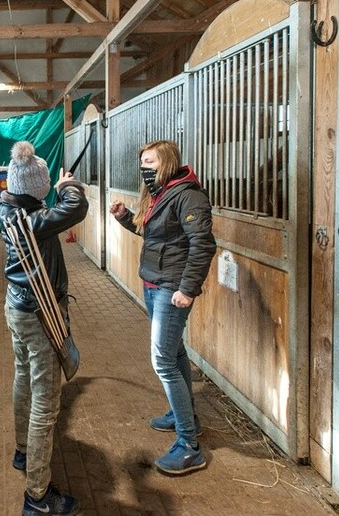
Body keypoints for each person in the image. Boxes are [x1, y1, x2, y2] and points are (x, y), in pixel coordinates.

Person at [109, 139, 216, 475]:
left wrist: (188, 288)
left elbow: (203, 244)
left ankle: (189, 445)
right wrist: (125, 217)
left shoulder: (188, 195)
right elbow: (155, 235)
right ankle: (184, 415)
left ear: (167, 162)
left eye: (150, 162)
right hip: (155, 283)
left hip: (172, 287)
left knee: (163, 360)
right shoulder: (159, 193)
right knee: (175, 352)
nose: (145, 167)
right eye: (142, 162)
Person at [0, 141, 88, 516]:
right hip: (39, 315)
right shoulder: (31, 222)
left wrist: (53, 191)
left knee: (23, 376)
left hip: (18, 308)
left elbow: (54, 211)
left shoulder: (11, 209)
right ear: (38, 188)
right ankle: (38, 497)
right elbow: (76, 207)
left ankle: (23, 450)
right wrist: (67, 186)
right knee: (46, 407)